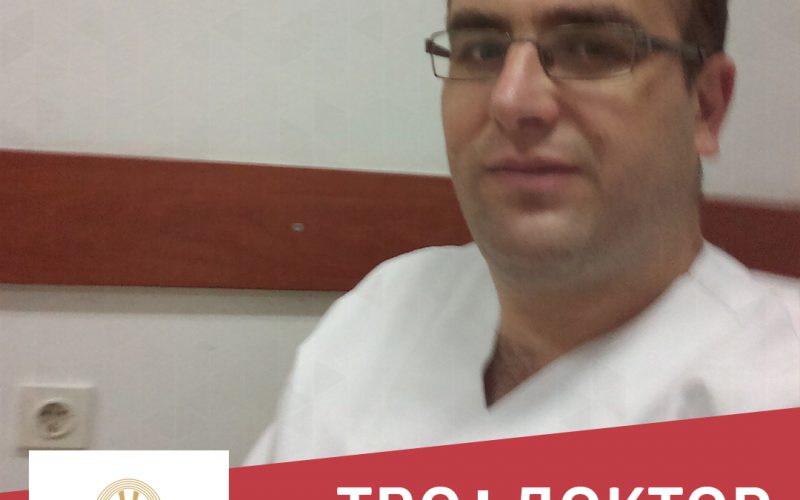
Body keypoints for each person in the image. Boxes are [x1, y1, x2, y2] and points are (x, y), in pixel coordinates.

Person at [246, 0, 800, 464]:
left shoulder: (774, 388)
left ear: (705, 105)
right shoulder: (380, 311)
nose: (511, 100)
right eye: (483, 50)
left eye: (592, 48)